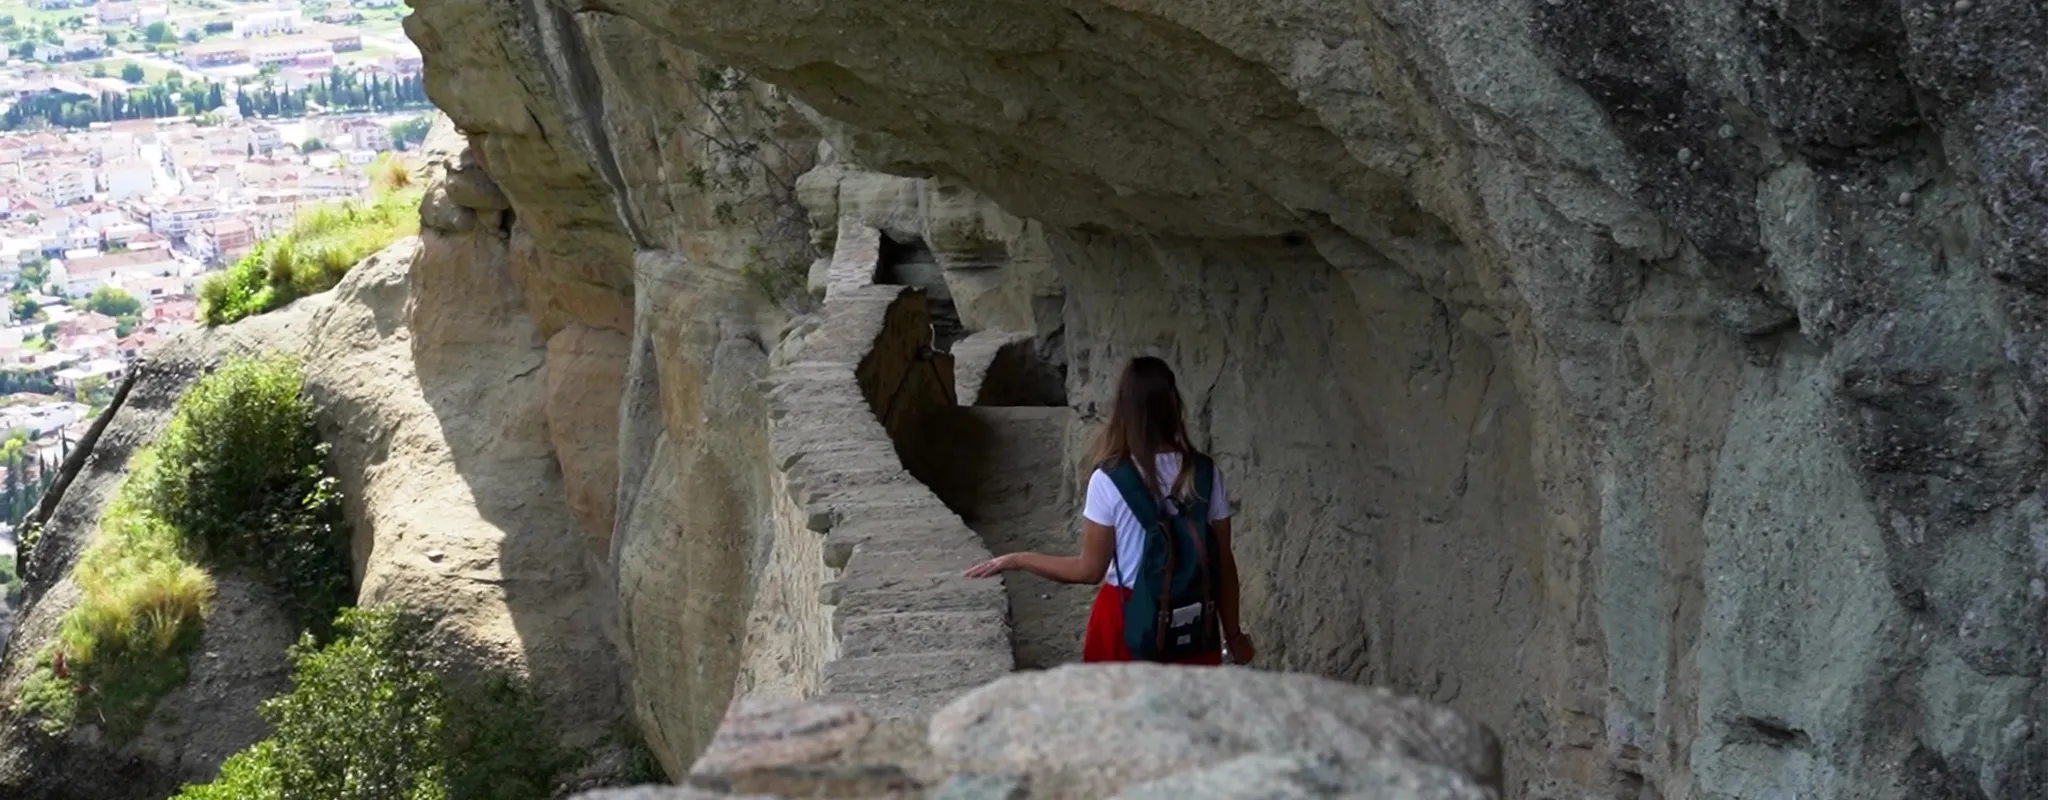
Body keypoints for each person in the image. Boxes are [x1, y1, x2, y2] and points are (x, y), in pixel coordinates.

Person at [962, 356, 1254, 665]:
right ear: (1174, 406)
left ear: (1123, 410)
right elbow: (1223, 562)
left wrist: (1019, 559)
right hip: (1193, 619)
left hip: (1128, 617)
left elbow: (1089, 570)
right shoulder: (1205, 473)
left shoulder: (1110, 479)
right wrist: (1233, 635)